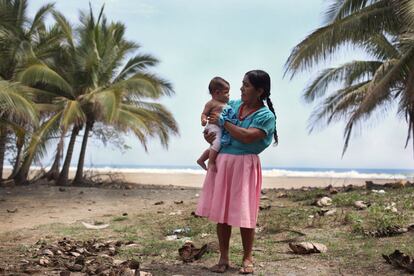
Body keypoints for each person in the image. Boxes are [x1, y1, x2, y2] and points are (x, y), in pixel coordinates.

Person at [195, 70, 278, 274]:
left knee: (244, 212)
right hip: (223, 162)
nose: (241, 88)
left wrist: (225, 124)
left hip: (244, 165)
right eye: (242, 84)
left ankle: (247, 258)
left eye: (246, 85)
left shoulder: (265, 116)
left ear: (259, 91)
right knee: (222, 212)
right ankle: (223, 258)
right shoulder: (232, 106)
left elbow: (247, 137)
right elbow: (217, 127)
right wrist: (210, 136)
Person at [197, 77, 235, 172]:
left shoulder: (227, 104)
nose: (228, 95)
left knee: (213, 146)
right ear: (217, 93)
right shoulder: (211, 103)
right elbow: (204, 113)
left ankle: (201, 159)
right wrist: (204, 120)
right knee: (217, 143)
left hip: (220, 128)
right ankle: (211, 162)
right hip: (213, 127)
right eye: (226, 92)